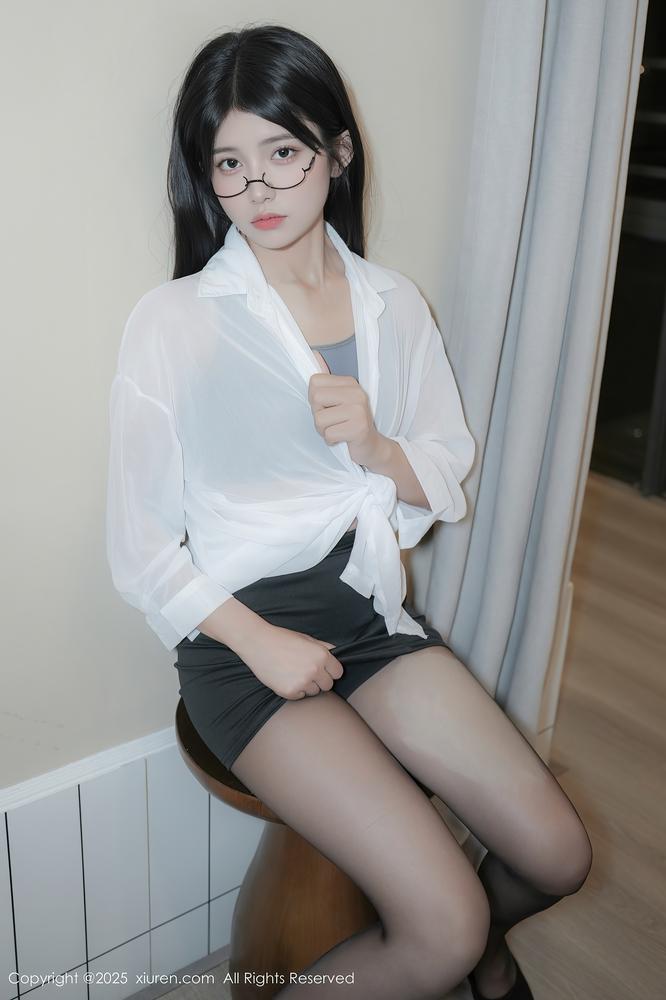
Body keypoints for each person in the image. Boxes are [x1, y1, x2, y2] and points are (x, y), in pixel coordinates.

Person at [105, 23, 592, 1000]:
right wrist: (262, 645)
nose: (257, 188)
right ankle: (468, 954)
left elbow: (443, 466)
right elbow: (139, 548)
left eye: (283, 152)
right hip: (242, 641)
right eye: (228, 163)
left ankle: (485, 952)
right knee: (442, 922)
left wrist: (376, 447)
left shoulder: (393, 304)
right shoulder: (177, 322)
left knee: (557, 853)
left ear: (337, 151)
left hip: (368, 613)